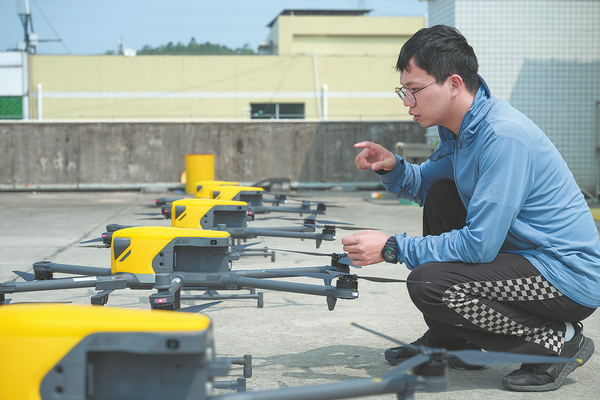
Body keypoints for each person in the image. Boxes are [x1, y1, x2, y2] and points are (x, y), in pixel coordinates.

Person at [341, 24, 599, 392]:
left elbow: (479, 245)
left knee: (430, 283)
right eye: (404, 91)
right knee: (444, 193)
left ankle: (557, 342)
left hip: (565, 275)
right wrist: (392, 166)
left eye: (414, 91)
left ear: (454, 84)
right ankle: (453, 337)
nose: (406, 102)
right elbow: (423, 185)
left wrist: (392, 247)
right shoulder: (462, 133)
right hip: (524, 256)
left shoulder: (501, 137)